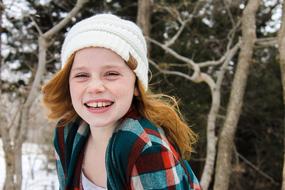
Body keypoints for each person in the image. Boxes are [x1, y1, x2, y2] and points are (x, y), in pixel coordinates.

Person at [42, 13, 201, 190]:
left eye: (111, 74)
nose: (95, 87)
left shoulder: (144, 147)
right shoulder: (68, 132)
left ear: (136, 86)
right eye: (81, 75)